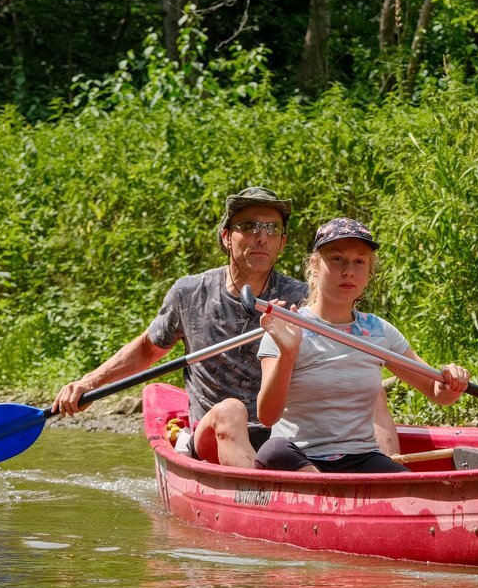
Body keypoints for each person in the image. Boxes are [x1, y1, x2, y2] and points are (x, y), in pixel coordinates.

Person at [52, 186, 400, 467]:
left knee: (361, 374)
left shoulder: (300, 299)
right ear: (226, 237)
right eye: (249, 227)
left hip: (284, 442)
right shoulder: (190, 292)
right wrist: (88, 383)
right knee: (231, 410)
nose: (261, 237)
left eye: (272, 229)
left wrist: (388, 459)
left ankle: (380, 477)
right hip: (215, 431)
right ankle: (258, 502)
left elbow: (358, 368)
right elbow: (148, 348)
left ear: (282, 242)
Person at [254, 217, 471, 473]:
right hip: (298, 458)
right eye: (337, 259)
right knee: (273, 450)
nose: (349, 271)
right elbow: (267, 416)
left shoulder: (379, 332)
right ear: (314, 265)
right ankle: (331, 491)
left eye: (359, 262)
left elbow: (437, 391)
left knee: (413, 489)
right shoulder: (287, 326)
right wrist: (288, 353)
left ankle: (336, 493)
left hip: (360, 458)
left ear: (368, 273)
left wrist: (452, 380)